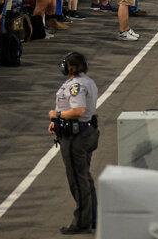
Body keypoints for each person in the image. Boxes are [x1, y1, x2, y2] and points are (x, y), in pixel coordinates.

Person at [50, 51, 99, 235]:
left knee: (77, 180)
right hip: (86, 131)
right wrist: (55, 123)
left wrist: (57, 115)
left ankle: (82, 222)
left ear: (72, 67)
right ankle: (93, 216)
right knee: (85, 176)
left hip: (77, 137)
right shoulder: (87, 81)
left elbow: (78, 110)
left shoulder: (76, 85)